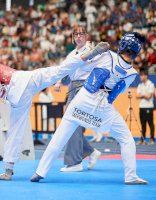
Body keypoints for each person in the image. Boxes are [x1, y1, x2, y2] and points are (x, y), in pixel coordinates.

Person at [0, 40, 110, 180]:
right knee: (60, 70)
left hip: (17, 97)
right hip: (26, 79)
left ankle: (8, 171)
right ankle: (88, 55)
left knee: (14, 131)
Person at [31, 32, 148, 185]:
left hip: (83, 99)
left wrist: (95, 51)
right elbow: (114, 94)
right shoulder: (132, 74)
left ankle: (40, 172)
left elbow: (81, 63)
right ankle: (131, 176)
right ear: (136, 52)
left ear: (123, 46)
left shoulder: (107, 55)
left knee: (59, 137)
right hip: (103, 107)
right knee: (126, 140)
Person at [54, 26, 101, 172]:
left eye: (81, 34)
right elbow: (64, 68)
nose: (79, 36)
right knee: (71, 123)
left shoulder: (92, 50)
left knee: (71, 122)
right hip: (72, 87)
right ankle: (91, 152)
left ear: (86, 36)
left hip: (85, 86)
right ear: (73, 37)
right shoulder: (72, 53)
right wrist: (58, 81)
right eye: (76, 34)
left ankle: (75, 162)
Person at [136, 70, 156, 145]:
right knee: (142, 124)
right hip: (141, 107)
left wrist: (142, 95)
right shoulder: (140, 85)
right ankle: (142, 139)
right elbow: (136, 96)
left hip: (149, 107)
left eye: (142, 75)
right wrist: (144, 95)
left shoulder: (151, 84)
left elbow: (149, 96)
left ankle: (152, 139)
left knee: (150, 123)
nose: (140, 77)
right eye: (140, 75)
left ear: (146, 76)